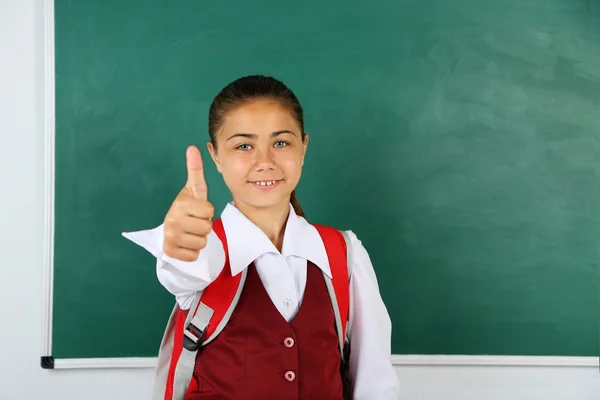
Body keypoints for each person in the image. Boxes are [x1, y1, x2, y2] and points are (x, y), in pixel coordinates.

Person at [123, 75, 400, 399]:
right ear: (215, 156)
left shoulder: (345, 253)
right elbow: (184, 268)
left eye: (281, 142)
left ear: (304, 147)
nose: (265, 162)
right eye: (244, 146)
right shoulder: (205, 249)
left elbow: (375, 382)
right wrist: (178, 245)